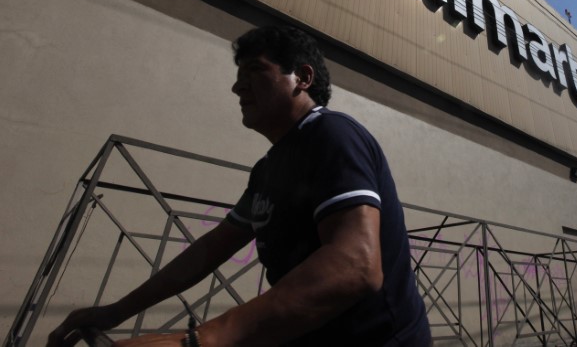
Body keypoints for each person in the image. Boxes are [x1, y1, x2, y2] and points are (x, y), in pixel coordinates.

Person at [48, 25, 431, 346]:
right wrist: (115, 311)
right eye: (237, 77)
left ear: (303, 77)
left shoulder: (333, 135)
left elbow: (356, 266)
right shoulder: (267, 170)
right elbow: (211, 249)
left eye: (254, 72)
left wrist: (202, 340)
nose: (237, 88)